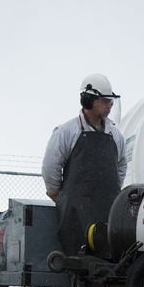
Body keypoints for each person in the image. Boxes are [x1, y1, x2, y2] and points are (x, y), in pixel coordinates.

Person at [42, 73, 128, 254]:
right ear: (88, 100)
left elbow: (121, 165)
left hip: (107, 210)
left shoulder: (115, 135)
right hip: (74, 214)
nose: (109, 107)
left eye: (111, 102)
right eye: (104, 101)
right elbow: (51, 167)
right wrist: (59, 196)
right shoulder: (67, 132)